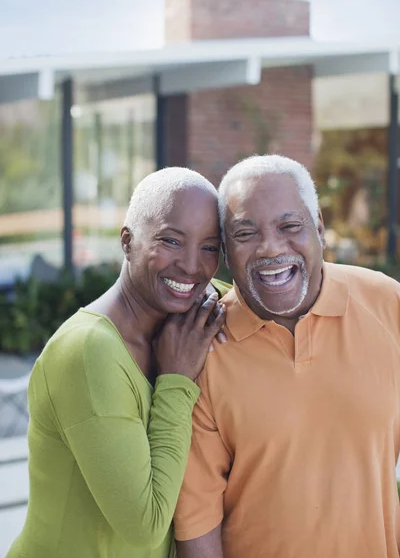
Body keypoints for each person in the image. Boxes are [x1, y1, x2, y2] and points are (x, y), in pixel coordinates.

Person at [174, 155, 400, 558]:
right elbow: (197, 520)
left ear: (319, 229)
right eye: (245, 233)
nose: (271, 248)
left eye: (289, 226)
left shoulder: (387, 303)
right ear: (225, 250)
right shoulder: (203, 348)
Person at [6, 167, 229, 558]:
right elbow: (145, 526)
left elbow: (263, 301)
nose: (192, 266)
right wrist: (176, 380)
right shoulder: (89, 352)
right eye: (171, 241)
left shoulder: (190, 318)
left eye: (210, 247)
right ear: (127, 241)